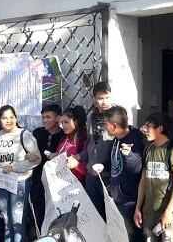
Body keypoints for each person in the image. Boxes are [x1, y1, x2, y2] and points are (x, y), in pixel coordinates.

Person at [0, 105, 41, 242]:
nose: (8, 120)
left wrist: (14, 167)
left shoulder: (24, 134)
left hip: (20, 183)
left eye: (11, 117)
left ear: (16, 118)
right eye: (4, 118)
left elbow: (37, 159)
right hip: (1, 184)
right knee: (7, 221)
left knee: (17, 222)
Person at [134, 112, 173, 242]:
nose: (144, 130)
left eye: (148, 126)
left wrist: (169, 211)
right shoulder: (148, 149)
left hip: (168, 215)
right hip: (148, 214)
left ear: (160, 129)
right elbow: (143, 181)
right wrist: (138, 208)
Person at [72, 81, 113, 219]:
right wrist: (79, 156)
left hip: (109, 177)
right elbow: (91, 145)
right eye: (100, 98)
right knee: (95, 217)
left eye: (107, 97)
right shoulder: (91, 117)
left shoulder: (117, 116)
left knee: (112, 218)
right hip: (92, 176)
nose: (104, 102)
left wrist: (106, 166)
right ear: (94, 98)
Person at [104, 106, 145, 241]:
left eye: (106, 124)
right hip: (117, 196)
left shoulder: (137, 138)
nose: (105, 128)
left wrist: (129, 155)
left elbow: (138, 168)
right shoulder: (116, 138)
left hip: (130, 200)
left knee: (130, 235)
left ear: (115, 126)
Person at [29, 104, 64, 233]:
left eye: (48, 117)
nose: (44, 120)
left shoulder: (63, 136)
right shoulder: (37, 133)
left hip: (56, 182)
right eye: (43, 117)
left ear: (58, 118)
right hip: (38, 180)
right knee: (39, 211)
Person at [53, 106, 88, 183]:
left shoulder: (84, 141)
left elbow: (88, 171)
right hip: (62, 183)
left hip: (78, 187)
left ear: (76, 121)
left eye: (66, 122)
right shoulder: (63, 140)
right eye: (62, 123)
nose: (63, 126)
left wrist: (77, 165)